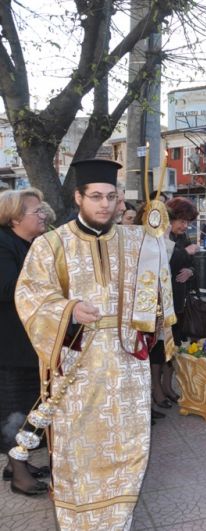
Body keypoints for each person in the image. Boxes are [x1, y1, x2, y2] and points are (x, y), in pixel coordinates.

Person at [15, 158, 174, 529]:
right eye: (96, 196)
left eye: (111, 196)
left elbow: (156, 291)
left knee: (128, 443)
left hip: (127, 362)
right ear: (78, 198)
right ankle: (79, 519)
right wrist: (69, 309)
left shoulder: (138, 242)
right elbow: (30, 297)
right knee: (79, 446)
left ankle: (119, 517)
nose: (104, 204)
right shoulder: (51, 244)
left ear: (120, 199)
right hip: (78, 364)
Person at [0, 189, 50, 496]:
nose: (43, 214)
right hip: (9, 344)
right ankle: (18, 474)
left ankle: (15, 463)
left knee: (27, 404)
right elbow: (7, 288)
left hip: (26, 341)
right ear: (17, 217)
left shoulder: (26, 243)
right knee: (15, 407)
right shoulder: (3, 244)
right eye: (37, 211)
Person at [151, 197, 199, 409]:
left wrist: (191, 271)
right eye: (181, 220)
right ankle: (157, 389)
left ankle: (168, 386)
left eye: (187, 222)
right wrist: (184, 253)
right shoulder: (159, 237)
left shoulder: (183, 238)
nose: (184, 226)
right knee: (159, 347)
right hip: (160, 302)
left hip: (179, 301)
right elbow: (159, 264)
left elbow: (194, 264)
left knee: (175, 345)